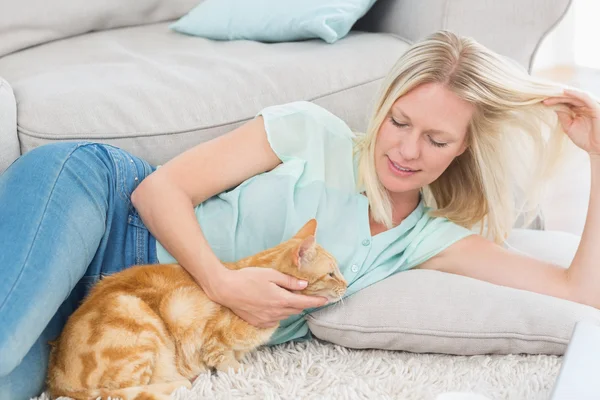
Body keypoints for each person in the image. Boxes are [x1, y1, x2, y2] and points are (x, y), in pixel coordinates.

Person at [1, 30, 599, 399]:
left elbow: (579, 289)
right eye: (398, 122)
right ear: (383, 106)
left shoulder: (422, 238)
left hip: (136, 327)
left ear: (466, 146)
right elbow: (157, 192)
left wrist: (599, 156)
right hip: (98, 213)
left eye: (437, 140)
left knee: (16, 383)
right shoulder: (311, 132)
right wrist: (225, 283)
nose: (407, 151)